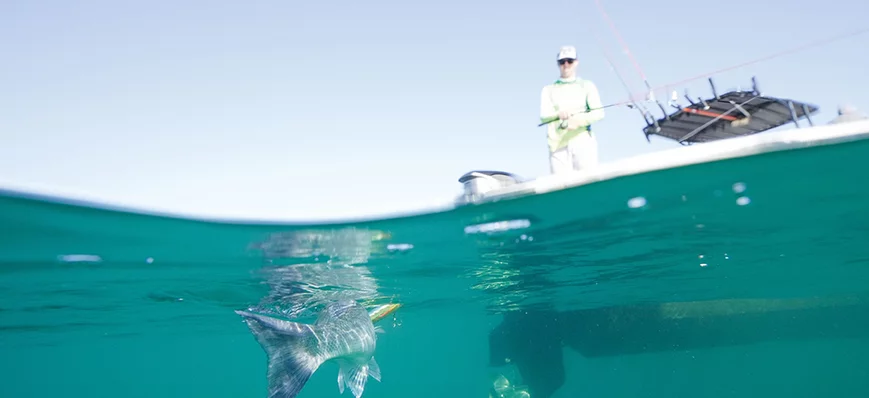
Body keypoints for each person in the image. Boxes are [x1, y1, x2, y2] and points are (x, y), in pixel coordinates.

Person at [539, 45, 606, 174]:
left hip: (583, 143)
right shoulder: (548, 89)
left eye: (569, 61)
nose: (566, 65)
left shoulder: (587, 85)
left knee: (588, 183)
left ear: (576, 63)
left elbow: (599, 113)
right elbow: (544, 115)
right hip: (557, 145)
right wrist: (558, 114)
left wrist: (578, 121)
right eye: (562, 62)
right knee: (560, 188)